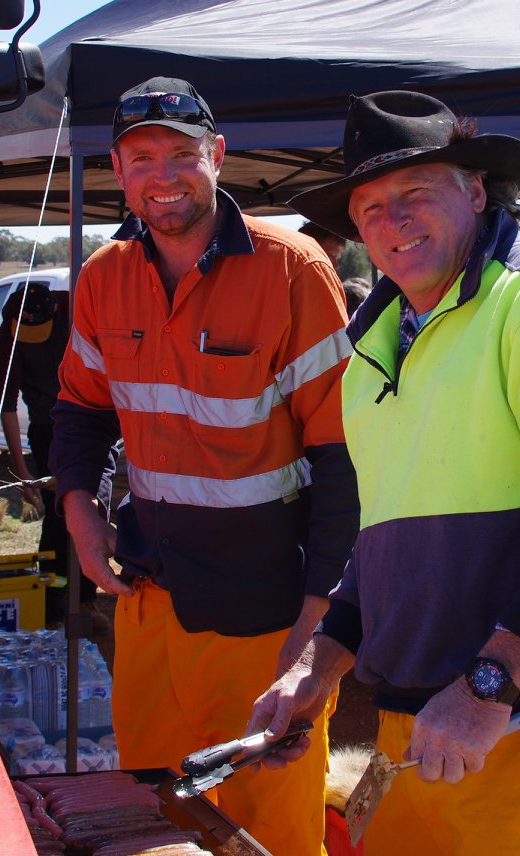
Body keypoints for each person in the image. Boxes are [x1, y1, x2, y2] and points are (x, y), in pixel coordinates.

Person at [249, 90, 520, 856]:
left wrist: (487, 686)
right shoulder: (373, 345)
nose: (391, 220)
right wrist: (316, 668)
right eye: (369, 207)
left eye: (415, 193)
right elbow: (379, 549)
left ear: (476, 189)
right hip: (420, 732)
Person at [50, 76, 357, 856]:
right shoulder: (104, 276)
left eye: (182, 154)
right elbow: (80, 410)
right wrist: (78, 511)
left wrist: (318, 624)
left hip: (264, 611)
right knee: (158, 814)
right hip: (151, 595)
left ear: (217, 157)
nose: (164, 175)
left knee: (270, 828)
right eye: (141, 157)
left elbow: (345, 455)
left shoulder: (293, 268)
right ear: (117, 171)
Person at [0, 282, 100, 624]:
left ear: (55, 312)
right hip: (47, 429)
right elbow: (7, 406)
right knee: (59, 515)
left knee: (90, 507)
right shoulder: (8, 336)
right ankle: (54, 602)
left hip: (88, 421)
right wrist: (24, 472)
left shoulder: (75, 310)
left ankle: (84, 598)